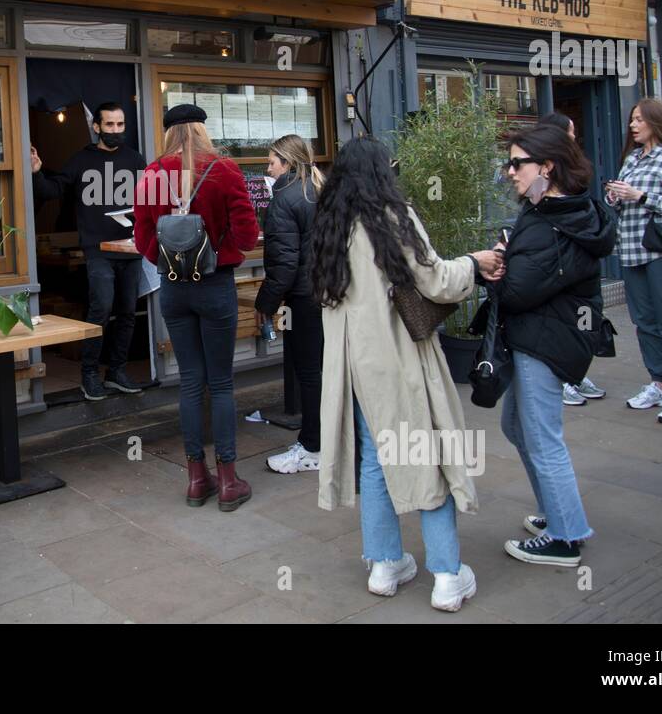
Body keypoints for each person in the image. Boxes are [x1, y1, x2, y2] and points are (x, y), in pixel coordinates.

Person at [310, 137, 505, 611]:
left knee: (377, 459)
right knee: (427, 452)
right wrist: (474, 264)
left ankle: (383, 564)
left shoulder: (330, 225)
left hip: (351, 367)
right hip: (397, 361)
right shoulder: (393, 217)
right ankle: (446, 575)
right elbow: (435, 279)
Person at [495, 124, 615, 567]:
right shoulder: (557, 212)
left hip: (544, 340)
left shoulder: (554, 221)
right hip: (545, 335)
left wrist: (499, 265)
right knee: (518, 429)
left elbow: (517, 292)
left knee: (542, 439)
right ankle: (556, 514)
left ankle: (566, 536)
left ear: (547, 167)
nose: (510, 171)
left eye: (517, 162)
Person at [133, 104, 260, 511]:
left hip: (173, 289)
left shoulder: (153, 174)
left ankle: (194, 478)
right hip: (215, 285)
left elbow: (142, 241)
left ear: (169, 132)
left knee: (190, 382)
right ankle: (227, 480)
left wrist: (169, 259)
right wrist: (219, 249)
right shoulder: (224, 170)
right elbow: (247, 235)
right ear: (203, 129)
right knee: (220, 384)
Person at [32, 102, 146, 401]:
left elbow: (149, 200)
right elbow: (52, 191)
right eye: (109, 125)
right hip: (97, 249)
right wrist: (37, 172)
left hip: (131, 248)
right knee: (101, 309)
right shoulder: (81, 159)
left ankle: (117, 372)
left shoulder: (135, 159)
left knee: (127, 313)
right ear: (96, 127)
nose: (115, 131)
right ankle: (89, 375)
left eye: (120, 125)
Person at [606, 98, 662, 425]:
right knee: (644, 321)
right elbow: (622, 202)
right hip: (631, 251)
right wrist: (615, 195)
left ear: (657, 122)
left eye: (639, 120)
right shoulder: (632, 158)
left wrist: (640, 196)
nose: (632, 125)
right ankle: (658, 383)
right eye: (632, 119)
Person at [255, 134, 325, 475]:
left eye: (271, 162)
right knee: (325, 373)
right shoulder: (320, 190)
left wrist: (265, 304)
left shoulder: (285, 198)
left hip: (302, 298)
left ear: (288, 162)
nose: (268, 170)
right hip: (329, 295)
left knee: (309, 374)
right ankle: (326, 440)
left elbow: (284, 264)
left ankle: (314, 446)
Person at [537, 111, 608, 407]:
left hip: (580, 255)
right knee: (562, 316)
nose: (574, 138)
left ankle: (575, 373)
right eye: (570, 132)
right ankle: (562, 378)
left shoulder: (574, 168)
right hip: (558, 254)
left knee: (586, 317)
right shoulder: (541, 171)